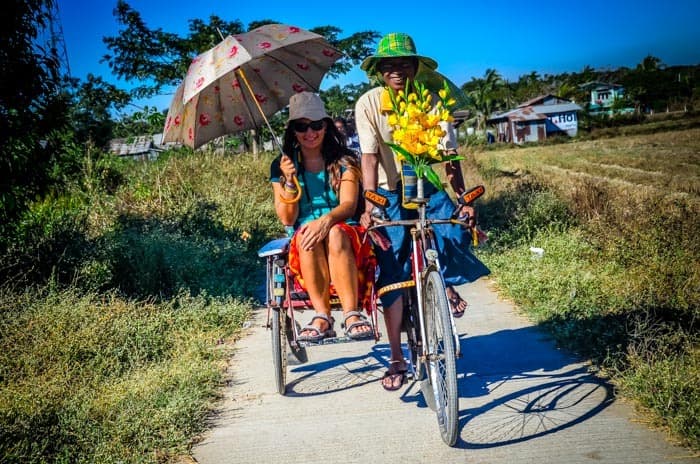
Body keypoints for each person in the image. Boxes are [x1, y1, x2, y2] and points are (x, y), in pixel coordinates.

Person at [355, 32, 490, 390]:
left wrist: (463, 197)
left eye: (403, 64)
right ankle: (397, 357)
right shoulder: (368, 103)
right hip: (388, 190)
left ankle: (440, 279)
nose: (396, 72)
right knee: (392, 267)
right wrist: (370, 202)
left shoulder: (431, 101)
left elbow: (449, 156)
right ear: (380, 72)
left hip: (424, 183)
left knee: (454, 226)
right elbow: (368, 157)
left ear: (415, 67)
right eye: (389, 66)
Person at [270, 92, 375, 342]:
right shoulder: (281, 165)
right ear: (292, 130)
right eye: (302, 126)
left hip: (344, 230)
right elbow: (286, 218)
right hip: (304, 238)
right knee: (307, 234)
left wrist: (325, 222)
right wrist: (289, 182)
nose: (310, 133)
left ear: (326, 126)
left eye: (316, 125)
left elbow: (348, 205)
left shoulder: (345, 160)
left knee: (336, 232)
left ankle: (351, 313)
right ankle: (322, 316)